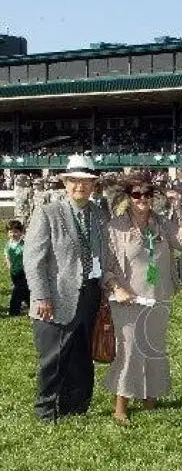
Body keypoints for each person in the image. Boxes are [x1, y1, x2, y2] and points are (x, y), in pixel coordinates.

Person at [103, 175, 182, 425]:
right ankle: (121, 404)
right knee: (129, 350)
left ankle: (150, 398)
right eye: (136, 194)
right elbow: (105, 266)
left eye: (147, 194)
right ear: (128, 198)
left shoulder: (162, 224)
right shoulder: (115, 228)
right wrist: (116, 288)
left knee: (154, 349)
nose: (142, 199)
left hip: (159, 296)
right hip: (128, 299)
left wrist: (178, 208)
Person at [24, 154, 109, 421]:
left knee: (82, 357)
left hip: (89, 294)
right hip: (55, 297)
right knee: (53, 359)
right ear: (65, 183)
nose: (79, 187)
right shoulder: (47, 213)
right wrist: (41, 296)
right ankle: (45, 411)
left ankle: (77, 407)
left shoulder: (98, 213)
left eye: (85, 182)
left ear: (94, 185)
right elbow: (33, 259)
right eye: (73, 181)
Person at [6, 219, 29, 316]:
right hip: (14, 272)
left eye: (15, 231)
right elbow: (7, 254)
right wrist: (8, 263)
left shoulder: (24, 244)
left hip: (23, 271)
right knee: (25, 291)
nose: (13, 234)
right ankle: (33, 307)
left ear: (21, 232)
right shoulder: (8, 244)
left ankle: (14, 311)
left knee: (17, 291)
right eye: (10, 232)